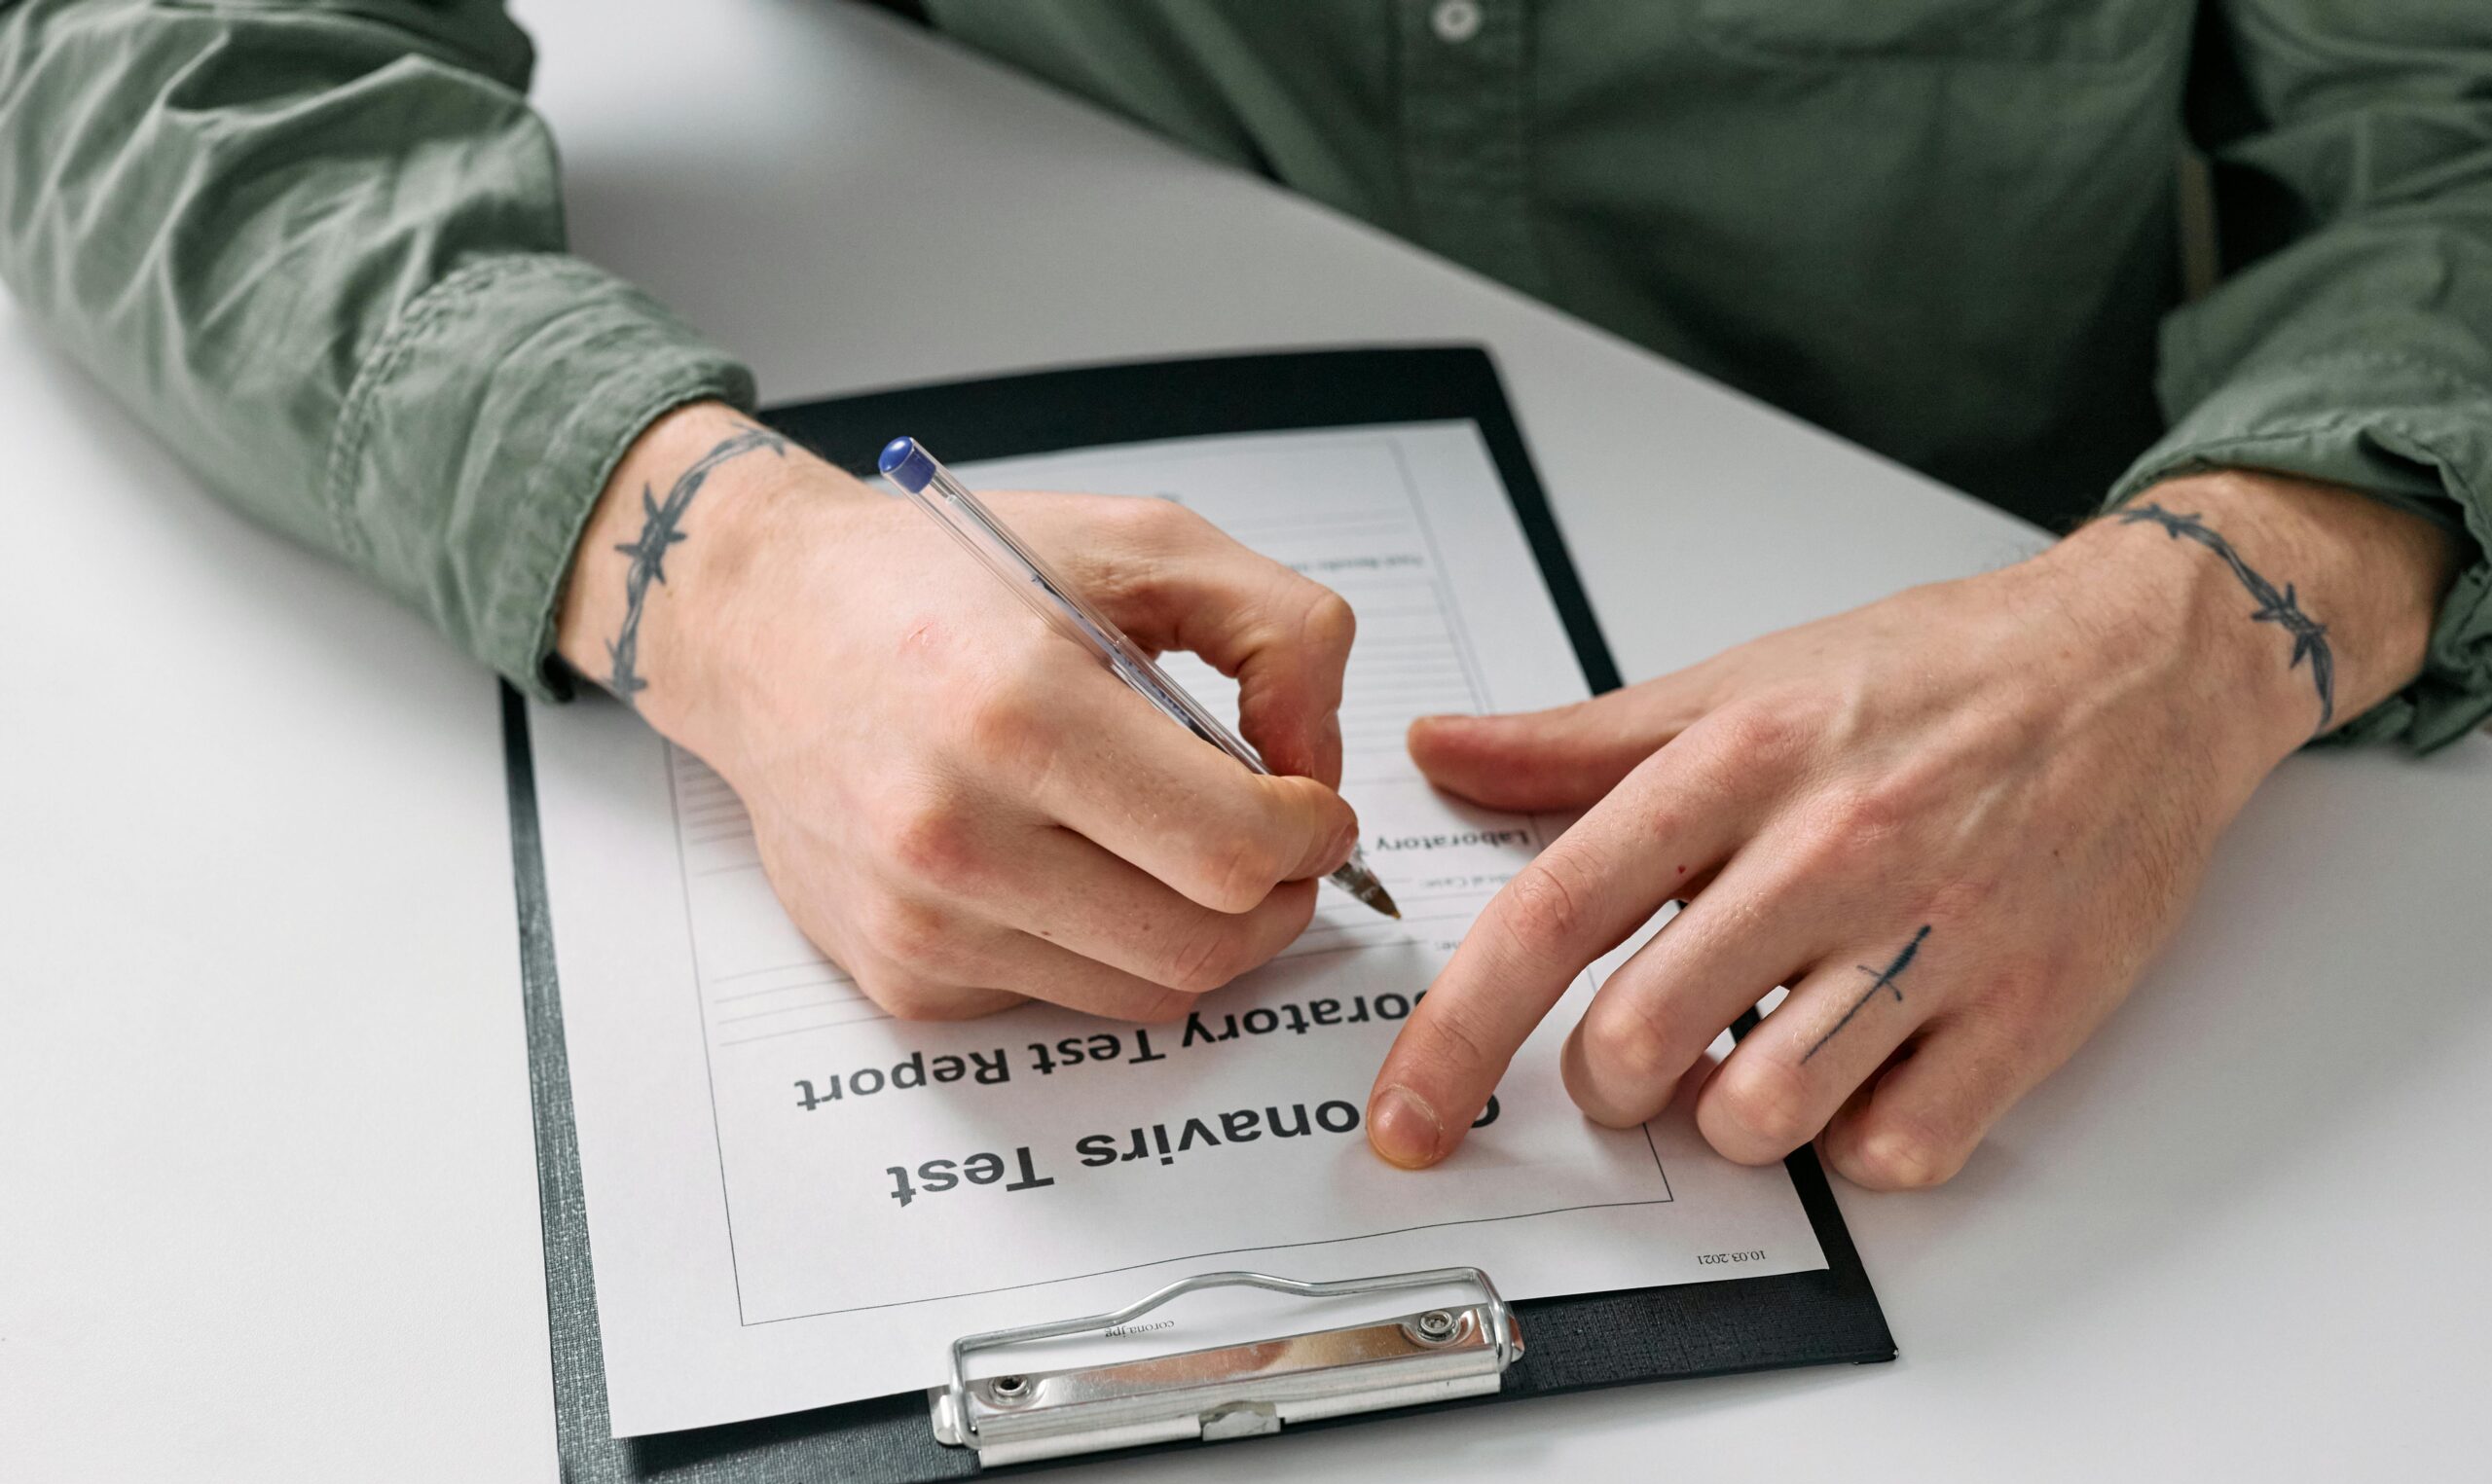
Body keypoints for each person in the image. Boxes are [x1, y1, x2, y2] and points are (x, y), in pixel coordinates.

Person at [2, 2, 2483, 1192]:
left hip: (2015, 700)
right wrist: (713, 562)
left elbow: (2440, 143)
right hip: (944, 407)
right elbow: (156, 40)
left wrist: (2206, 617)